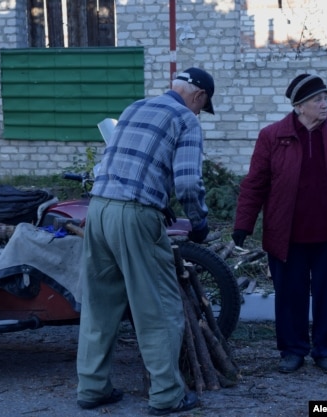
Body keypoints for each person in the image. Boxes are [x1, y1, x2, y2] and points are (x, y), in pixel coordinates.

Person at [75, 67, 214, 415]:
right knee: (159, 307)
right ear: (198, 96)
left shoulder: (135, 107)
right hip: (134, 216)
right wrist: (198, 222)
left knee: (100, 305)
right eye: (203, 106)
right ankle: (167, 395)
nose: (199, 112)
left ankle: (92, 388)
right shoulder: (186, 120)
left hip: (99, 209)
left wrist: (157, 202)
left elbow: (123, 162)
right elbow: (186, 182)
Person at [231, 73, 327, 375]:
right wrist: (243, 225)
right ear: (299, 105)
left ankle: (326, 350)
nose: (325, 103)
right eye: (318, 99)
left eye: (326, 97)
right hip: (286, 234)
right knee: (290, 296)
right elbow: (255, 185)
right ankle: (292, 351)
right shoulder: (273, 136)